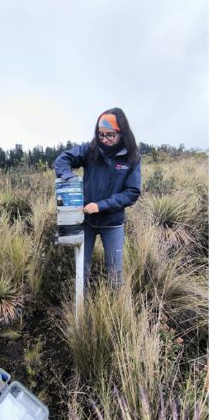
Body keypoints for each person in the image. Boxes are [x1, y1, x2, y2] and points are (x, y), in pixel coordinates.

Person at [54, 109, 142, 287]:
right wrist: (69, 178)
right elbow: (62, 160)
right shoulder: (91, 150)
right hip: (86, 222)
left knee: (115, 274)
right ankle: (82, 310)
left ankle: (116, 310)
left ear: (122, 133)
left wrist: (101, 206)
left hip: (113, 223)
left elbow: (132, 192)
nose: (105, 139)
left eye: (110, 135)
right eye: (101, 135)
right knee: (81, 270)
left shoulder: (132, 156)